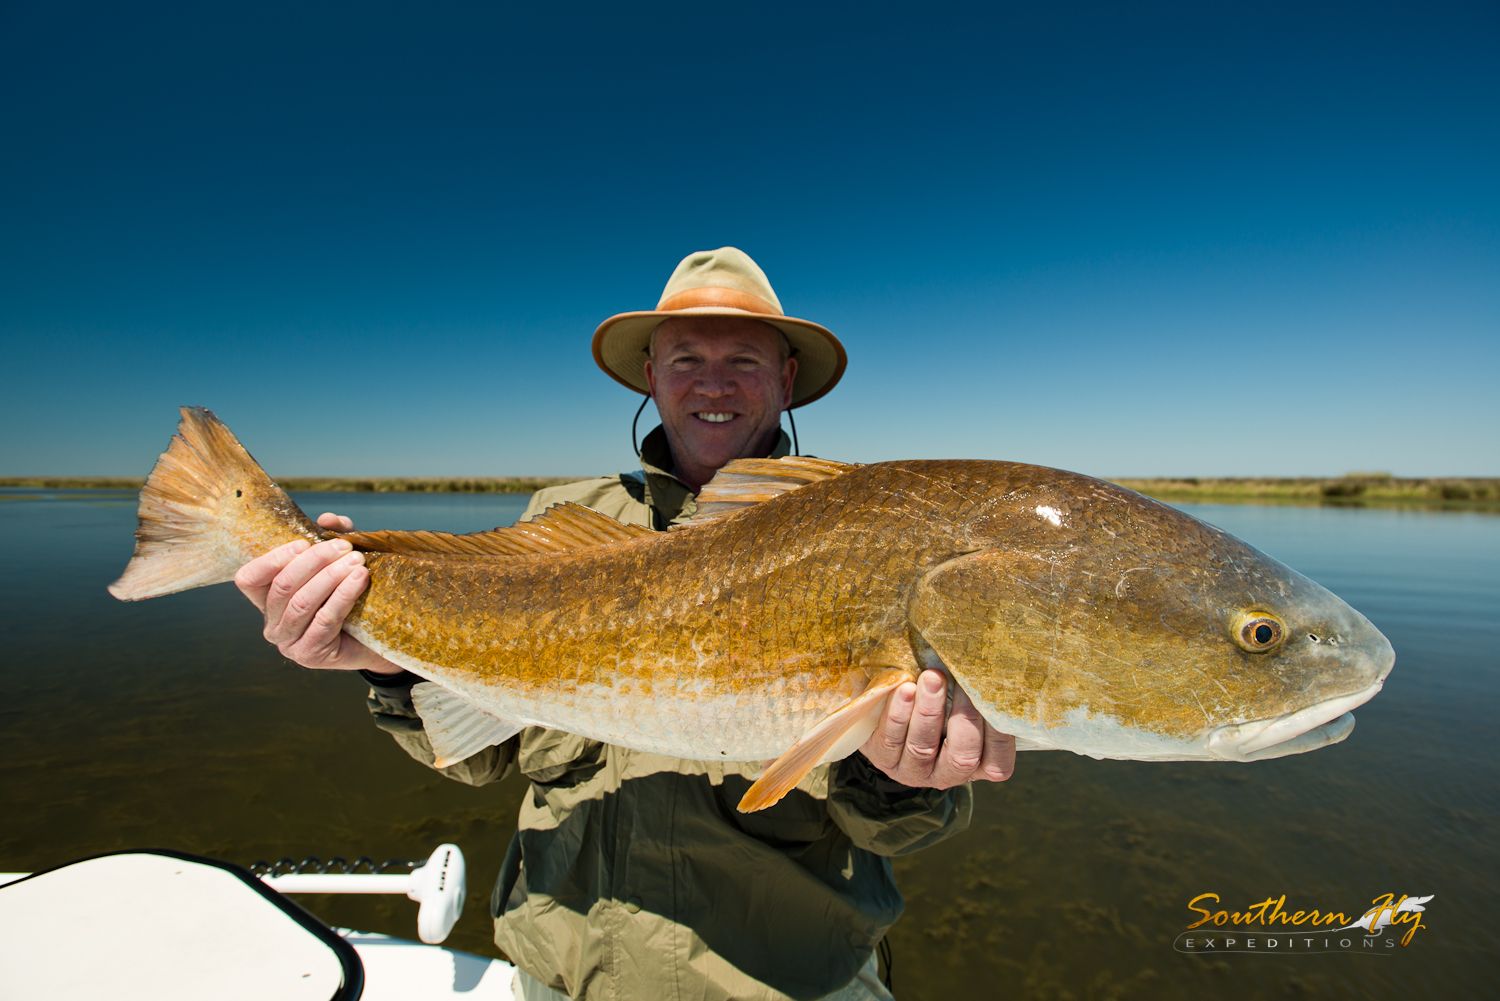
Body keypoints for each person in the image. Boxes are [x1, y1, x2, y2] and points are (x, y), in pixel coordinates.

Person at [234, 248, 1017, 1000]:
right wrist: (382, 664)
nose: (714, 384)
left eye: (743, 359)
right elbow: (480, 755)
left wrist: (899, 769)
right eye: (686, 359)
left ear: (785, 379)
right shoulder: (562, 522)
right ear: (650, 376)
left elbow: (899, 831)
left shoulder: (874, 535)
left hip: (792, 984)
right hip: (566, 977)